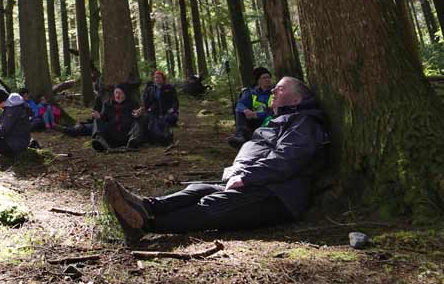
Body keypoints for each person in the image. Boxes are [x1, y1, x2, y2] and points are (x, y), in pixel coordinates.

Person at [104, 76, 328, 239]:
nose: (272, 92)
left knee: (214, 204)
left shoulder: (304, 123)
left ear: (297, 100)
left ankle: (144, 226)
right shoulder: (281, 120)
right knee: (198, 189)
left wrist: (247, 177)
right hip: (257, 183)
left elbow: (286, 159)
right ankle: (145, 206)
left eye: (279, 89)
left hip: (278, 195)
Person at [230, 67, 273, 147]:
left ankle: (248, 137)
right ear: (258, 81)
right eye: (264, 78)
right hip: (253, 121)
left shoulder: (275, 92)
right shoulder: (252, 92)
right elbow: (240, 104)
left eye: (268, 77)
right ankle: (240, 136)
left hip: (269, 121)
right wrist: (246, 110)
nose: (267, 80)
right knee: (240, 110)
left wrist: (256, 115)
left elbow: (274, 112)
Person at [91, 84, 137, 152]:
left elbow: (136, 116)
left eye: (120, 93)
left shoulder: (131, 104)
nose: (117, 96)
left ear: (125, 94)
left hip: (126, 134)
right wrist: (99, 116)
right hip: (111, 134)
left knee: (139, 120)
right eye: (116, 93)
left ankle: (132, 144)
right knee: (97, 120)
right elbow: (104, 118)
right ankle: (101, 141)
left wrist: (137, 115)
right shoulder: (107, 104)